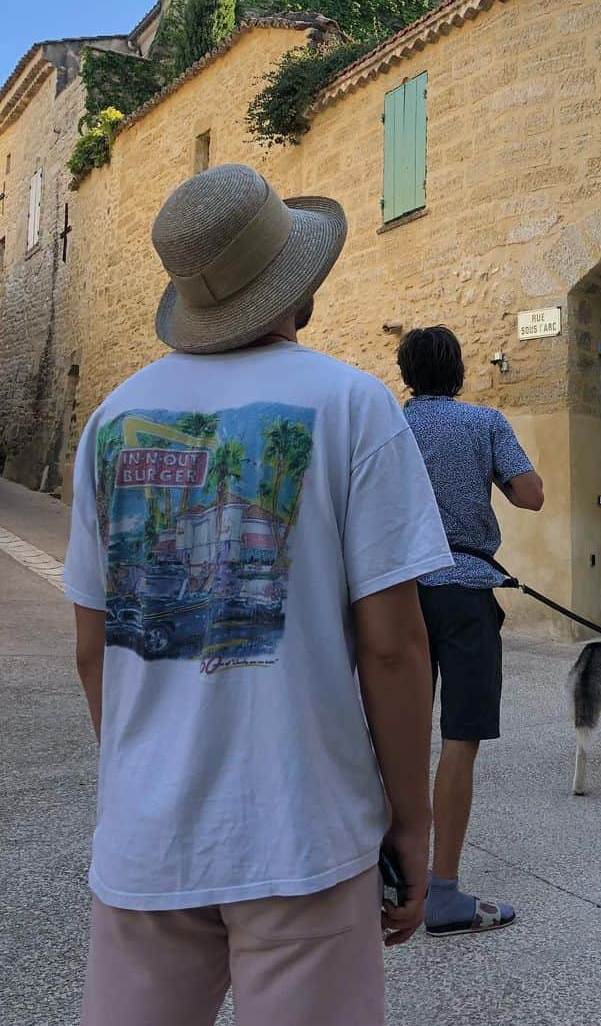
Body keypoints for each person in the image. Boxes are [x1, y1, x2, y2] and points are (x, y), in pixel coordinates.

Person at [65, 164, 452, 1026]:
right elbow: (394, 645)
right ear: (297, 283)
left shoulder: (109, 423)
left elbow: (93, 651)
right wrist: (412, 822)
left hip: (145, 845)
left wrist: (147, 779)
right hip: (303, 832)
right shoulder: (354, 406)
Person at [396, 326, 544, 936]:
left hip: (397, 592)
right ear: (457, 369)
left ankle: (383, 879)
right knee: (460, 738)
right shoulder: (485, 423)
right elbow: (530, 496)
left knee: (390, 737)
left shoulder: (386, 424)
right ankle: (444, 894)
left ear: (406, 372)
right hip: (465, 591)